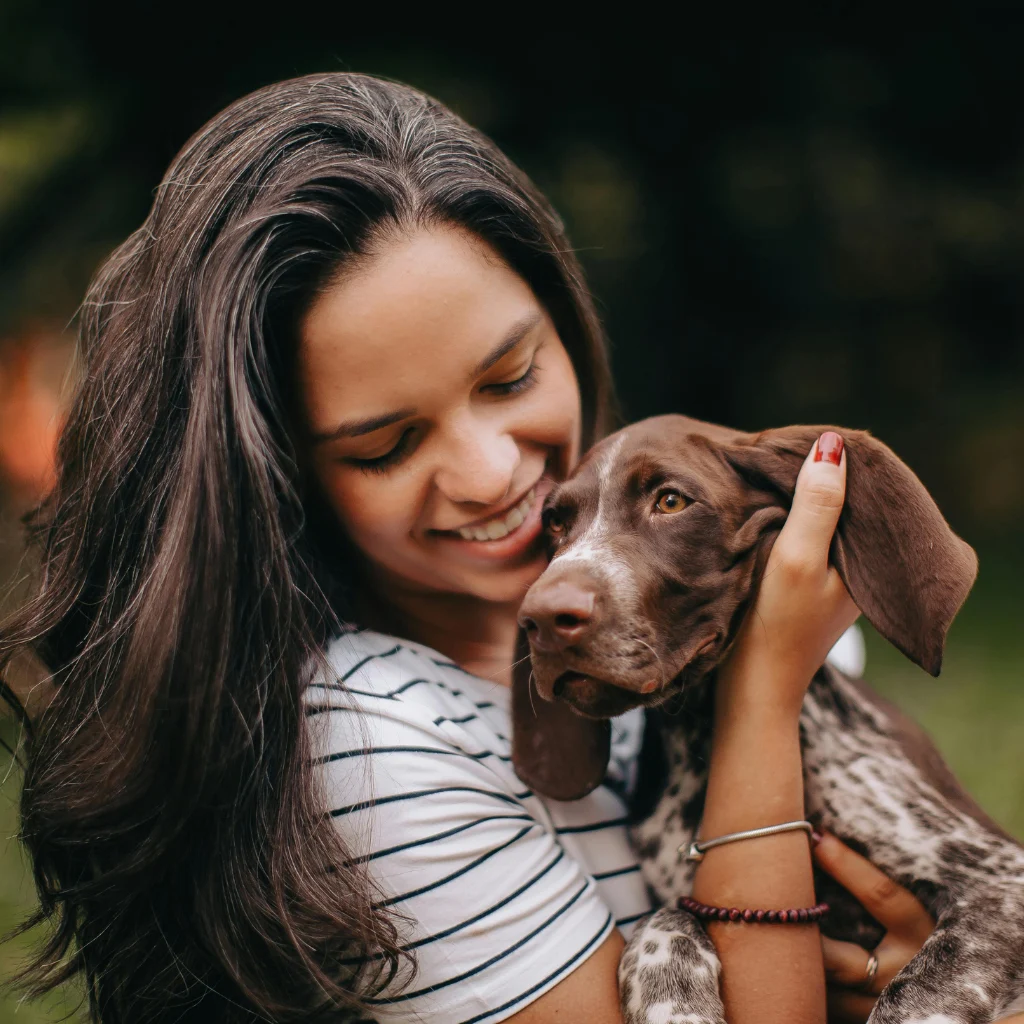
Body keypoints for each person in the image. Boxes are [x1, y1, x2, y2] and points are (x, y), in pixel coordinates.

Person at [2, 72, 1012, 1024]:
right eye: (387, 443)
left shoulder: (705, 609)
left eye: (511, 375)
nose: (490, 475)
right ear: (279, 476)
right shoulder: (371, 751)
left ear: (566, 322)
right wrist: (761, 690)